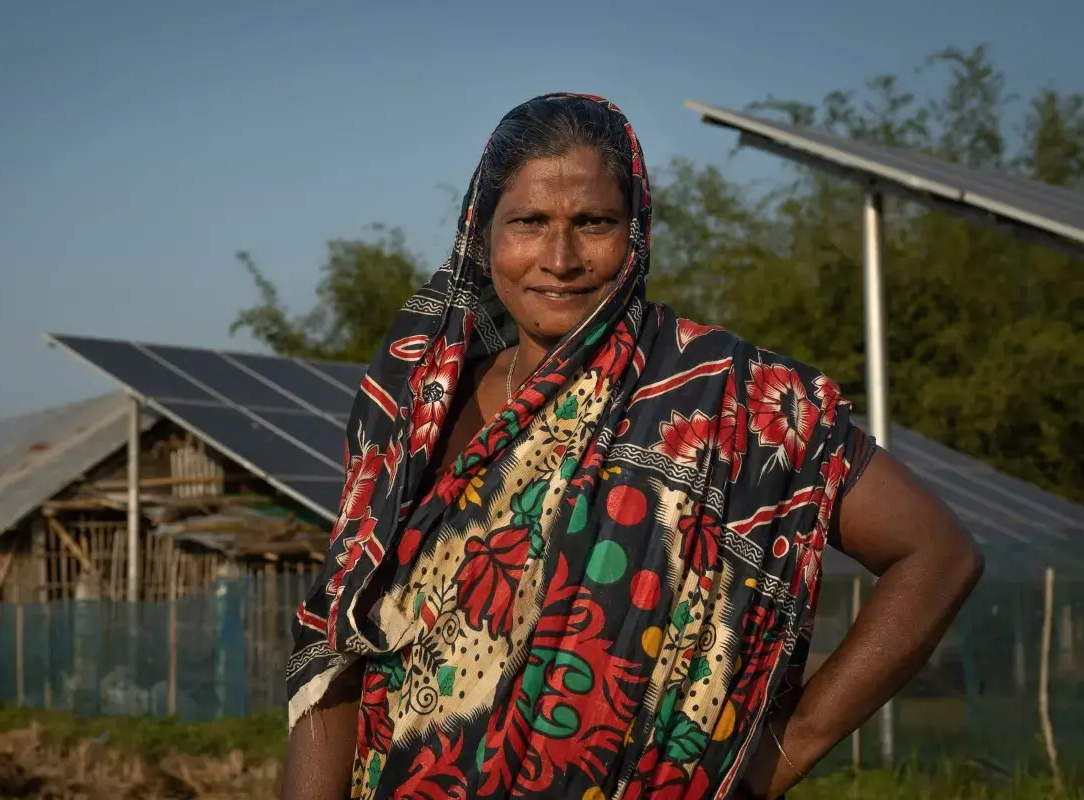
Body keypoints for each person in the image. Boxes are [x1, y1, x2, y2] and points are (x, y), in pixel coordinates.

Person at [280, 94, 984, 800]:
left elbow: (938, 556)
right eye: (528, 222)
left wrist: (777, 753)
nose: (559, 258)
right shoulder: (417, 401)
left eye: (593, 223)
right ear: (481, 232)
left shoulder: (724, 397)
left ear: (636, 231)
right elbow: (337, 644)